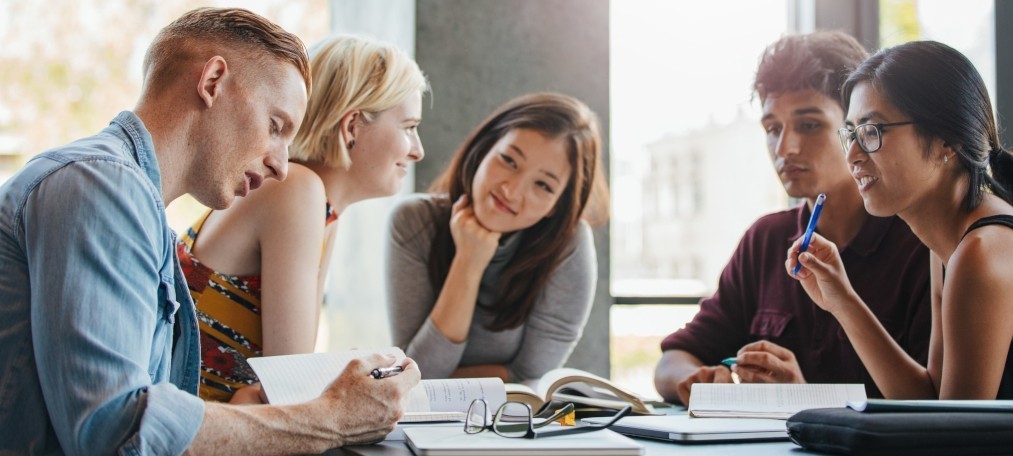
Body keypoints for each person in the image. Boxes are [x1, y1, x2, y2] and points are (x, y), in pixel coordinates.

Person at [0, 8, 419, 454]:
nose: (281, 164)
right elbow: (120, 432)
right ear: (213, 81)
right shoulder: (102, 185)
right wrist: (331, 419)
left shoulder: (135, 204)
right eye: (275, 126)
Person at [789, 40, 1013, 420]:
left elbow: (951, 436)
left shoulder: (983, 253)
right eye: (851, 133)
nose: (853, 155)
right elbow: (932, 399)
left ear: (947, 143)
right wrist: (842, 299)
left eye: (872, 131)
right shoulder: (952, 246)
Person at [654, 32, 932, 406]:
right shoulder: (766, 240)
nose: (785, 148)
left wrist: (803, 400)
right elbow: (673, 360)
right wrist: (696, 381)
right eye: (773, 129)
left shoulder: (920, 245)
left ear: (859, 126)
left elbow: (931, 406)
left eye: (810, 124)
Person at [178, 34, 427, 403]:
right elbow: (289, 385)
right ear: (353, 126)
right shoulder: (295, 189)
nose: (418, 150)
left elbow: (283, 385)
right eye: (408, 127)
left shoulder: (322, 207)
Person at [386, 93, 609, 382]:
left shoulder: (568, 244)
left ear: (558, 205)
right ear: (484, 149)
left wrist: (436, 377)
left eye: (542, 185)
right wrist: (468, 260)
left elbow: (530, 375)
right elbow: (416, 374)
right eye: (509, 160)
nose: (512, 191)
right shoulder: (414, 222)